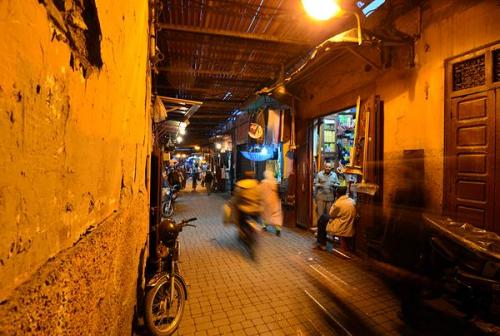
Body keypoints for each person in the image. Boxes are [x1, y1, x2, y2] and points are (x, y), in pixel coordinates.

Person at [315, 187, 356, 251]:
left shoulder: (338, 203)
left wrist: (335, 201)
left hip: (341, 224)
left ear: (337, 194)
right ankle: (320, 240)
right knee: (323, 218)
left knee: (322, 220)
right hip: (349, 223)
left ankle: (321, 243)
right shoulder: (352, 201)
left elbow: (331, 214)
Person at [233, 171, 262, 243]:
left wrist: (235, 203)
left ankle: (241, 232)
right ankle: (256, 230)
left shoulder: (240, 184)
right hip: (255, 209)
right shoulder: (257, 183)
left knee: (239, 219)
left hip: (244, 209)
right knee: (257, 220)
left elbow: (236, 197)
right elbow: (261, 195)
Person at [260, 170, 283, 236]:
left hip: (266, 201)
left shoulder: (263, 182)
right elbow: (279, 191)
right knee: (276, 215)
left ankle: (264, 226)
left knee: (266, 215)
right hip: (275, 201)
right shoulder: (275, 182)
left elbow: (261, 191)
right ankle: (278, 229)